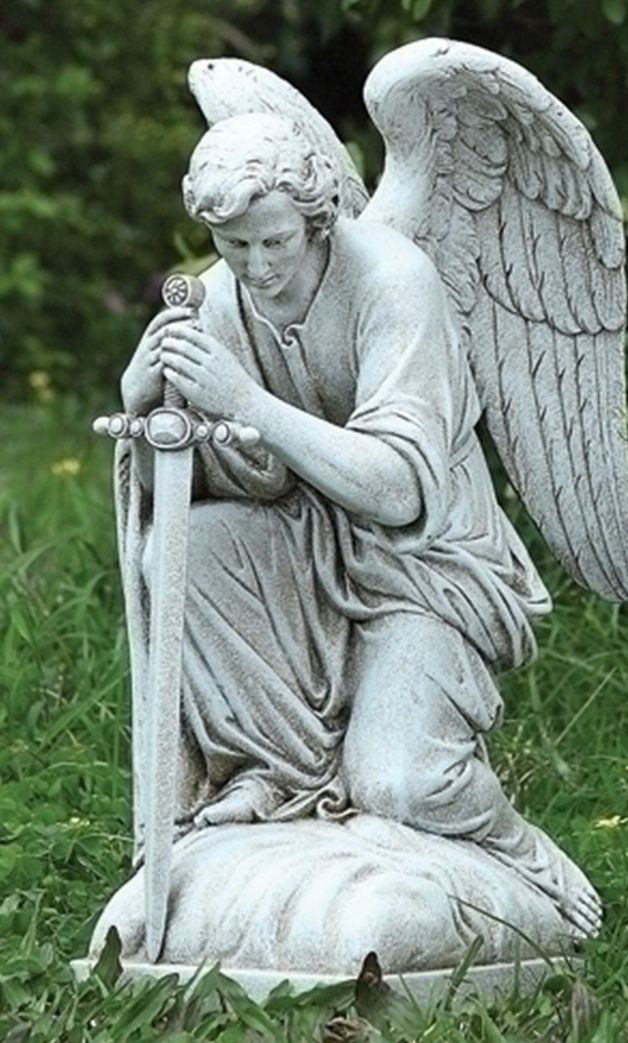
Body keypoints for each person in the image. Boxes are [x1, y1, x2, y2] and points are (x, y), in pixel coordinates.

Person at [118, 113, 600, 933]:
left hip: (425, 566)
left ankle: (518, 857)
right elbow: (237, 481)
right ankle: (275, 775)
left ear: (316, 219)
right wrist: (146, 401)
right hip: (306, 546)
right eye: (234, 246)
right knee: (183, 545)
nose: (256, 267)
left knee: (400, 784)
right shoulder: (222, 301)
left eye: (274, 242)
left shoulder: (392, 280)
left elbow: (397, 490)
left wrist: (242, 399)